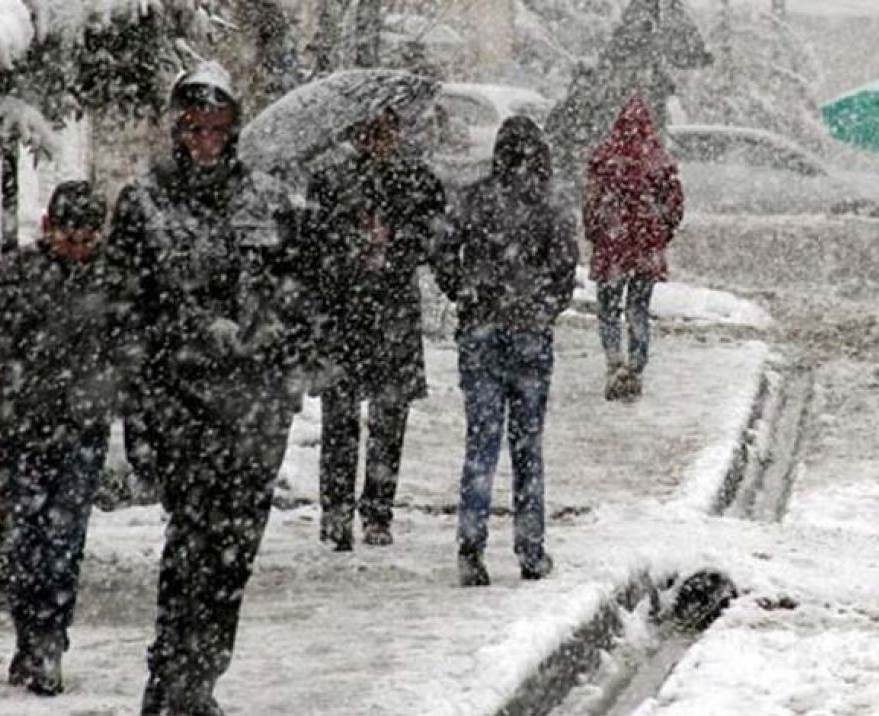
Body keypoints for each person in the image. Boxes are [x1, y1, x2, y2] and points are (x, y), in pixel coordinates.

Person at [103, 61, 307, 716]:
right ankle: (172, 683)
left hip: (252, 411)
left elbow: (296, 300)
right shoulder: (146, 203)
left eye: (216, 127)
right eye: (193, 127)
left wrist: (265, 337)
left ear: (233, 129)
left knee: (232, 559)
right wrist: (140, 407)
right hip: (181, 405)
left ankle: (203, 679)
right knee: (191, 548)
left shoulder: (268, 201)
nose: (204, 141)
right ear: (176, 128)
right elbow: (126, 313)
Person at [0, 182, 112, 696]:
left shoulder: (112, 280)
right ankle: (31, 636)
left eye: (88, 236)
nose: (78, 246)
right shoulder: (18, 277)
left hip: (83, 429)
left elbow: (134, 354)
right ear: (49, 228)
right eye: (70, 235)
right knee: (25, 541)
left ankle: (50, 639)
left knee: (64, 541)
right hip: (27, 428)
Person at [437, 116, 577, 586]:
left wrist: (465, 290)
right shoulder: (550, 203)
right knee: (527, 446)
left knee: (481, 443)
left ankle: (471, 544)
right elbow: (565, 266)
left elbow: (441, 249)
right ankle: (530, 547)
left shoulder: (474, 197)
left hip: (480, 332)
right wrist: (542, 306)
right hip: (529, 336)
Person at [305, 104, 451, 551]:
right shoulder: (330, 180)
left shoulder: (417, 180)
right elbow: (312, 244)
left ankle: (377, 511)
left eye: (387, 131)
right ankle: (336, 513)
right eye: (371, 132)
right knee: (340, 418)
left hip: (392, 311)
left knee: (389, 418)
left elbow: (434, 237)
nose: (379, 141)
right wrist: (350, 245)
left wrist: (396, 244)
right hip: (344, 312)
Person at [583, 95, 684, 402]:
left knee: (609, 309)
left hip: (612, 248)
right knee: (638, 308)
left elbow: (591, 203)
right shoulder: (659, 161)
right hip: (644, 249)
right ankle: (636, 365)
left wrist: (597, 234)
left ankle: (614, 359)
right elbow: (675, 205)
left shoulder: (605, 159)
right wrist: (661, 233)